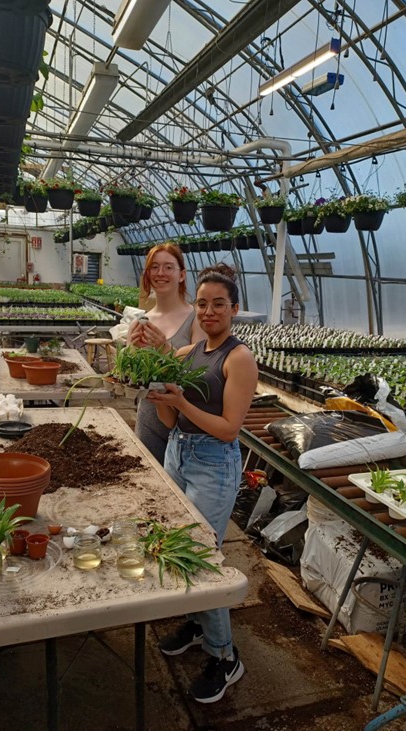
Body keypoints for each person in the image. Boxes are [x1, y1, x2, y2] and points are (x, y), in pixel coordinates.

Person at [146, 263, 258, 704]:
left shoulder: (238, 357)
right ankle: (196, 623)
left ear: (234, 309)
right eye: (203, 303)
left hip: (214, 463)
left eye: (219, 304)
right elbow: (170, 419)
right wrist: (162, 398)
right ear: (195, 307)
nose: (209, 311)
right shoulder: (186, 353)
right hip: (179, 452)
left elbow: (230, 428)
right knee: (178, 543)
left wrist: (180, 404)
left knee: (202, 557)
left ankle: (225, 656)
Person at [128, 243, 206, 464]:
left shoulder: (196, 319)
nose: (160, 273)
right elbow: (131, 380)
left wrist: (165, 349)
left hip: (186, 422)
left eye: (168, 267)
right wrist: (132, 353)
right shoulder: (141, 321)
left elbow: (200, 374)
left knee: (180, 495)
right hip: (148, 419)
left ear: (181, 275)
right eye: (154, 267)